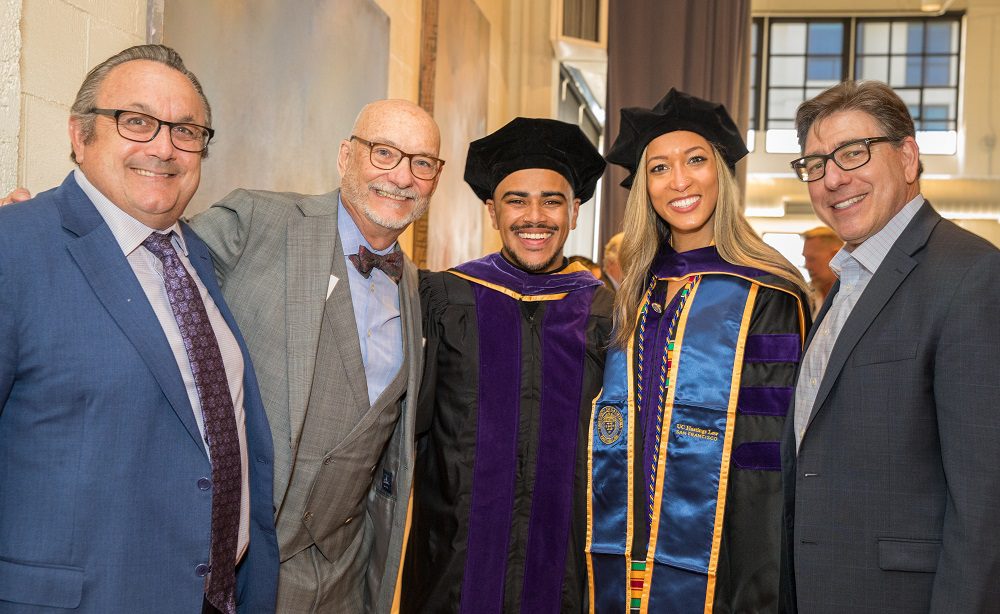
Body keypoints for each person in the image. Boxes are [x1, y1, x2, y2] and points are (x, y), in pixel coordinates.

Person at [0, 45, 278, 613]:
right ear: (81, 135)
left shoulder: (193, 256)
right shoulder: (15, 247)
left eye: (186, 130)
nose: (163, 146)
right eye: (136, 121)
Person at [186, 99, 439, 612]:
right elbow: (148, 262)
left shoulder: (416, 289)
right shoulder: (258, 220)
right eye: (384, 152)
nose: (401, 176)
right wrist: (54, 224)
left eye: (422, 163)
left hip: (343, 577)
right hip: (237, 565)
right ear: (346, 156)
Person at [589, 89, 810, 613]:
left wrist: (757, 578)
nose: (680, 181)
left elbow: (769, 452)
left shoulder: (769, 294)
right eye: (660, 167)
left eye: (695, 161)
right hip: (624, 532)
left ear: (722, 173)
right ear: (645, 187)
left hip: (724, 550)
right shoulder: (633, 292)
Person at [784, 81, 1000, 613]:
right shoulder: (848, 281)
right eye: (815, 163)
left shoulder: (970, 274)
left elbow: (985, 503)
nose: (833, 177)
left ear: (908, 157)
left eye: (853, 153)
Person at [402, 117, 613, 614]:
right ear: (492, 211)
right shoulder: (445, 298)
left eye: (552, 200)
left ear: (576, 212)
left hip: (568, 571)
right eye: (516, 200)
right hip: (453, 564)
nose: (534, 216)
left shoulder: (608, 314)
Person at [799, 225, 843, 313]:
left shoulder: (853, 296)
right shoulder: (805, 296)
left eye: (812, 259)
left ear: (835, 256)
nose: (807, 266)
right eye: (805, 258)